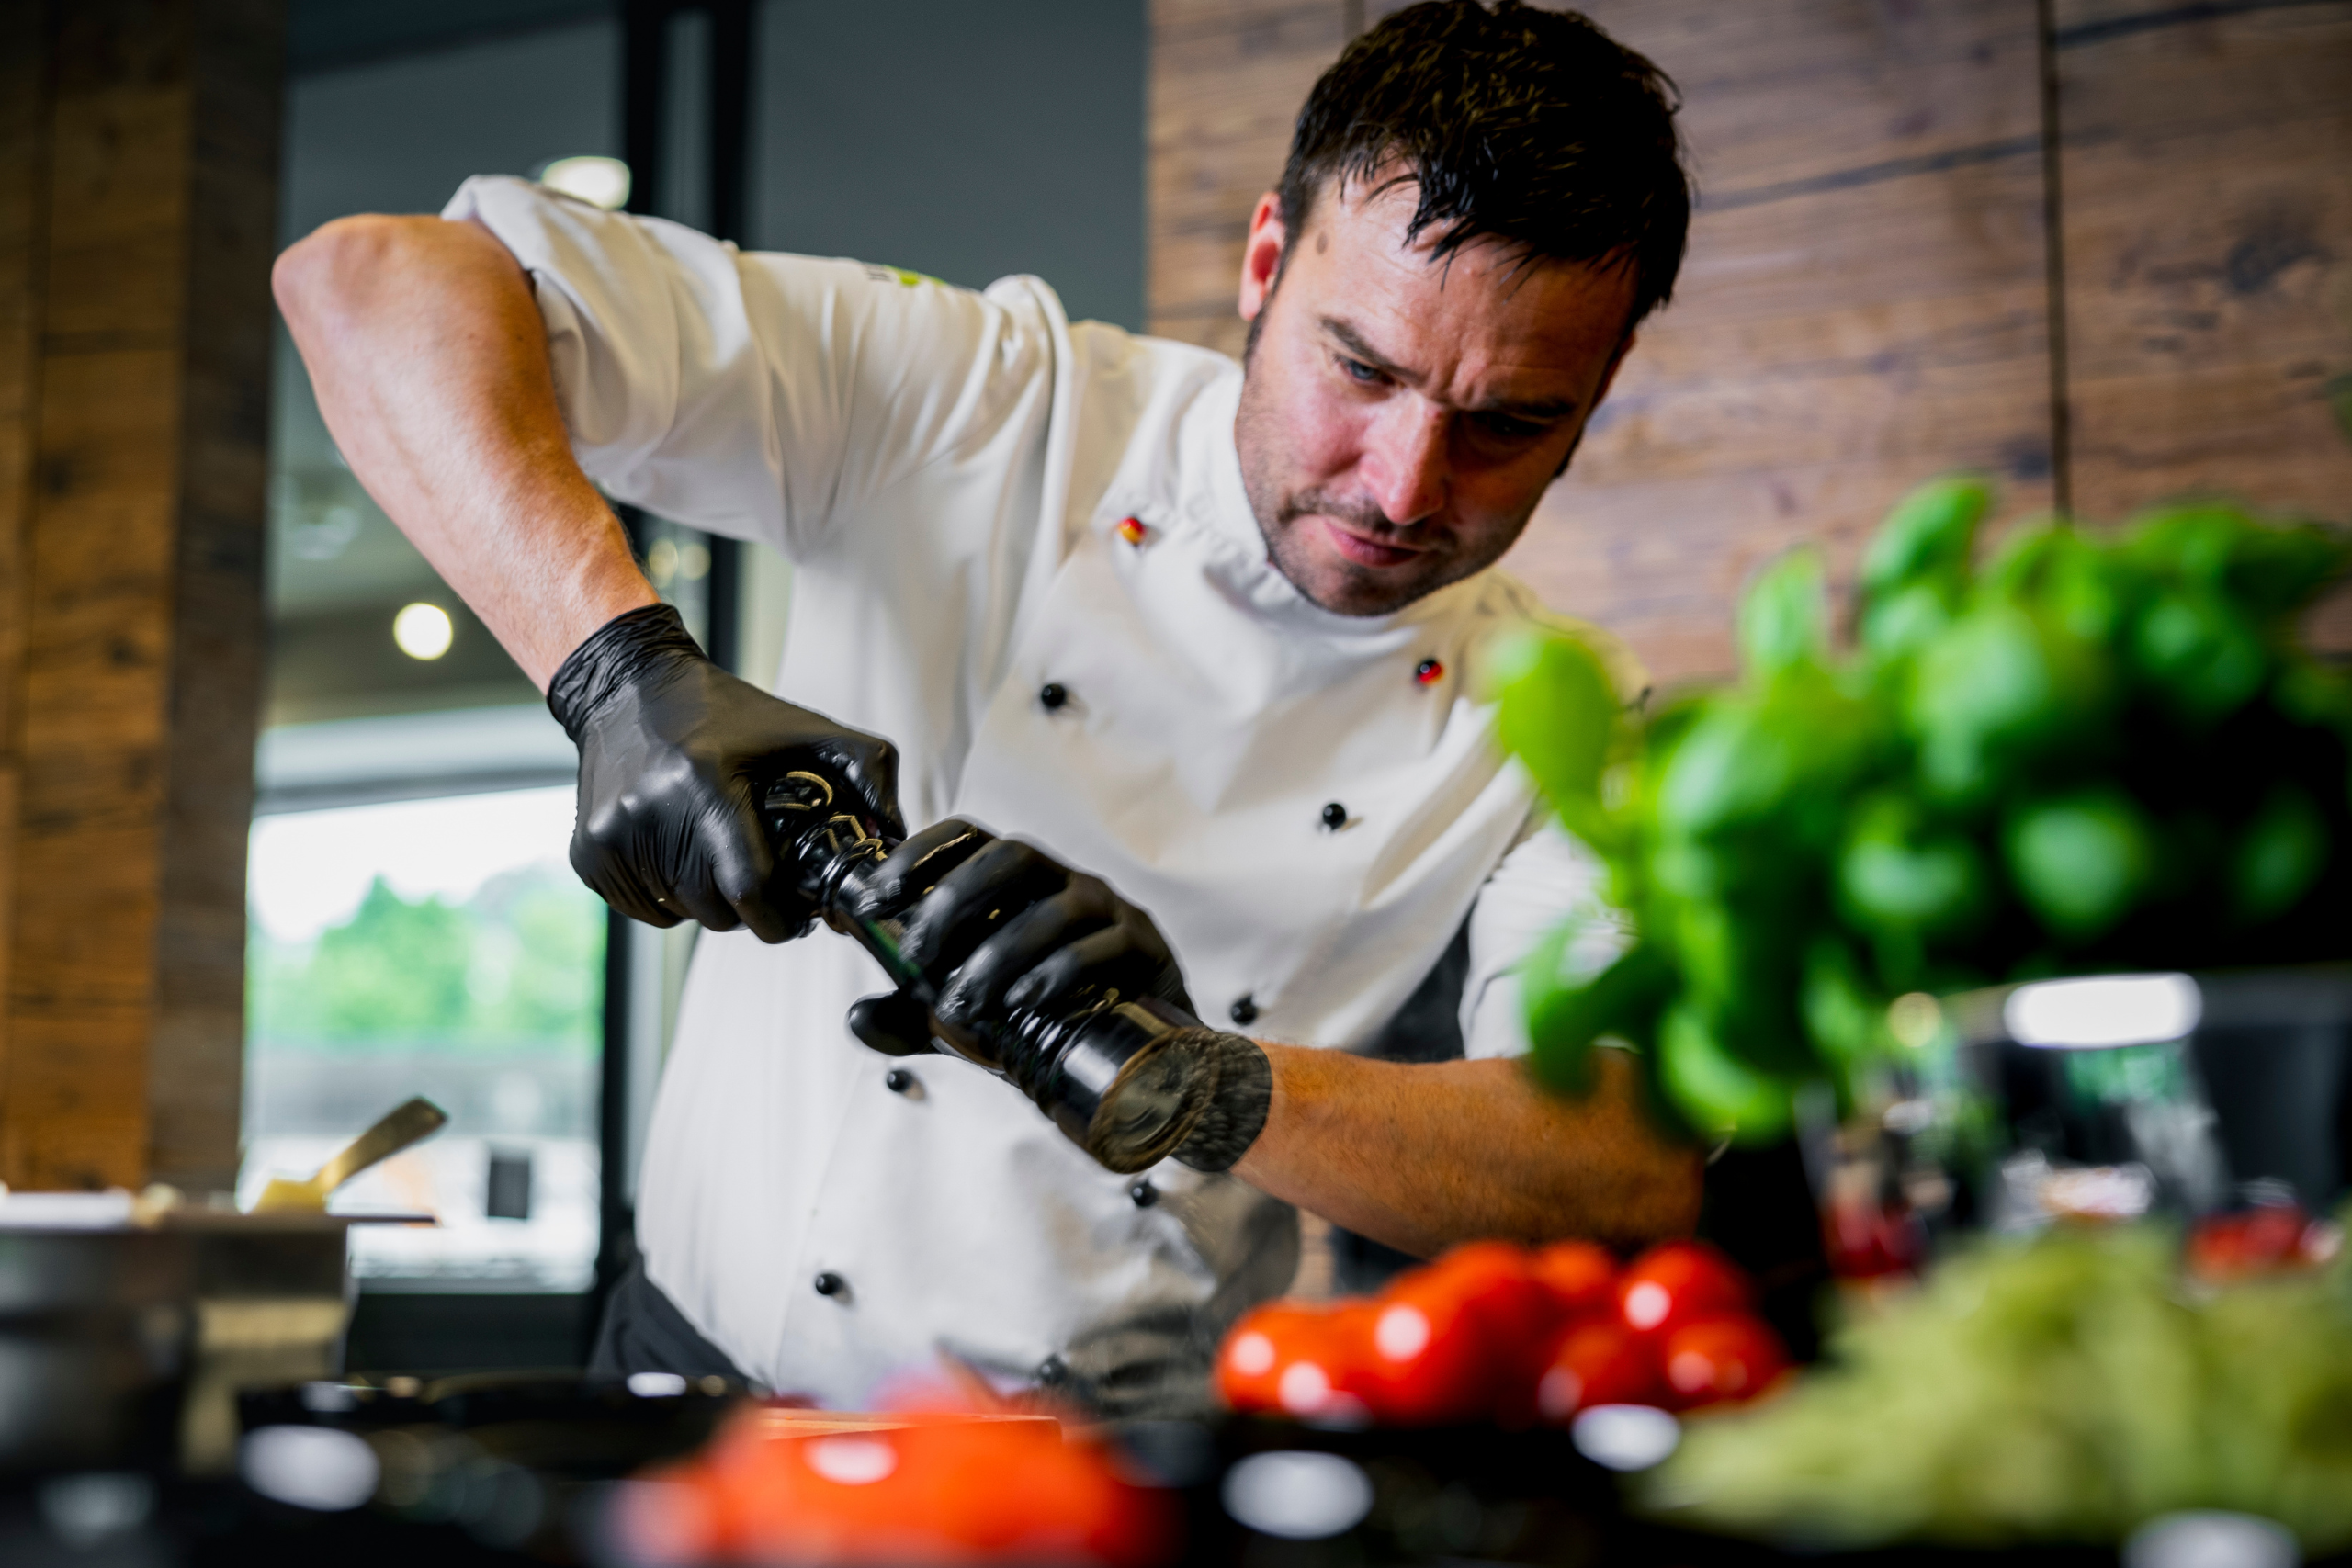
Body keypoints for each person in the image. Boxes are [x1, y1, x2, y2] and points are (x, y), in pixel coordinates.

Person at [274, 0, 1703, 1415]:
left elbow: (1624, 1165)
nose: (1403, 484)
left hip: (1111, 1472)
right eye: (1363, 367)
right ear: (1267, 259)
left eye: (1510, 420)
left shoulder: (1565, 713)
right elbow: (368, 281)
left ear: (1601, 389)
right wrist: (617, 672)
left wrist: (1198, 1082)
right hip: (691, 1388)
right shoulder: (984, 399)